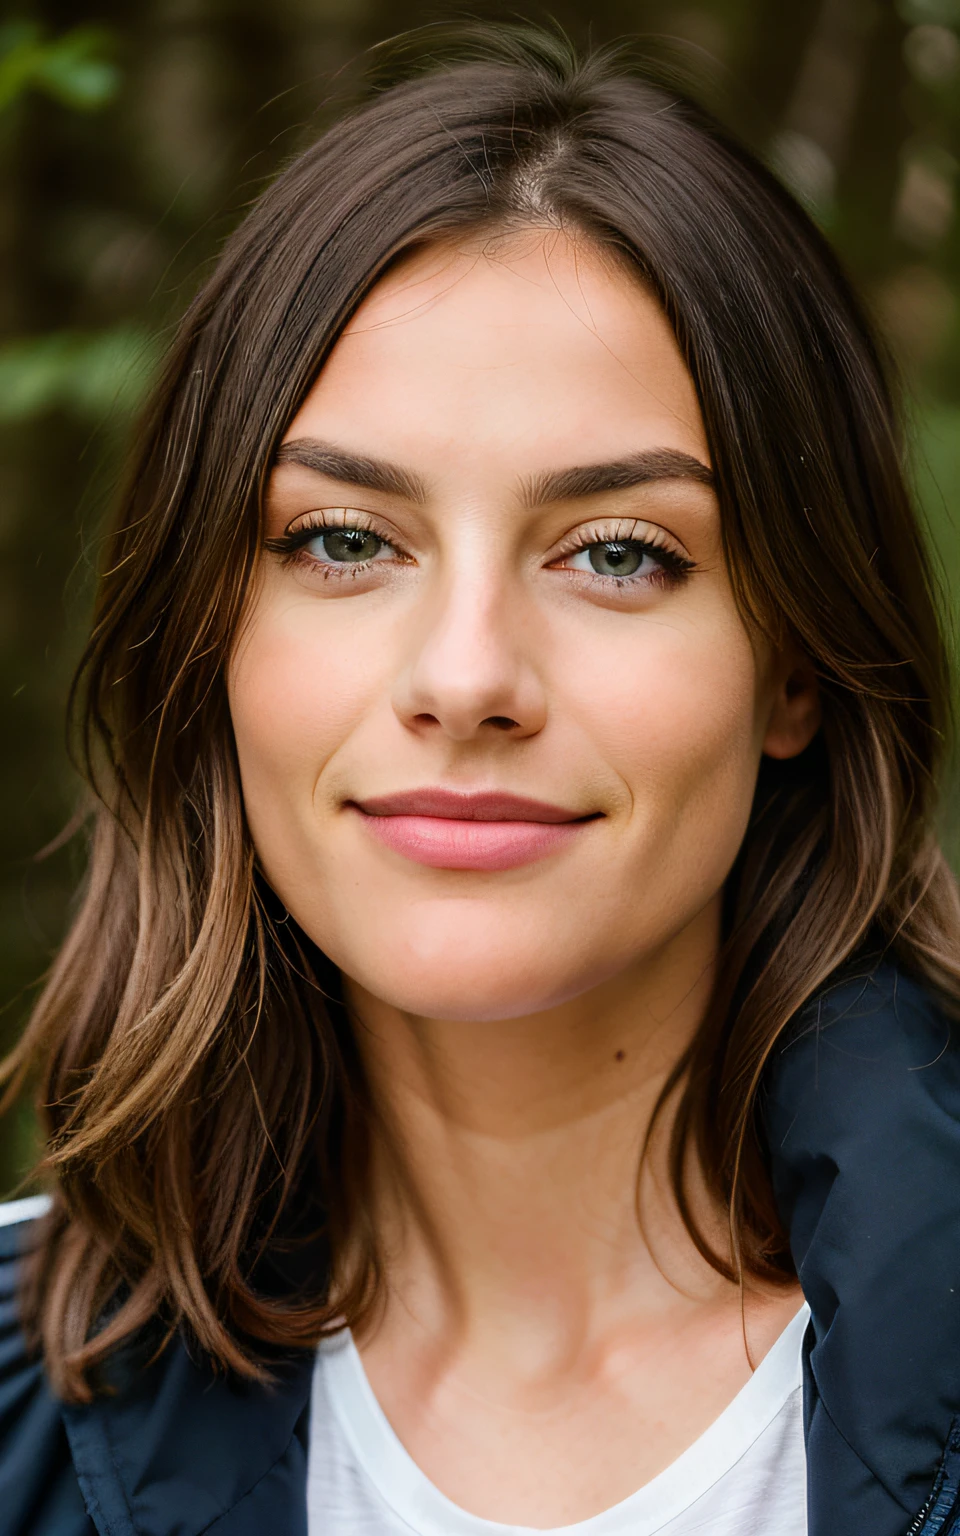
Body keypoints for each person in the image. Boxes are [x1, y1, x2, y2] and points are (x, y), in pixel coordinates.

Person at [0, 31, 958, 1536]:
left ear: (798, 667)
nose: (464, 677)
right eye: (342, 541)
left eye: (620, 554)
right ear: (208, 640)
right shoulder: (20, 1416)